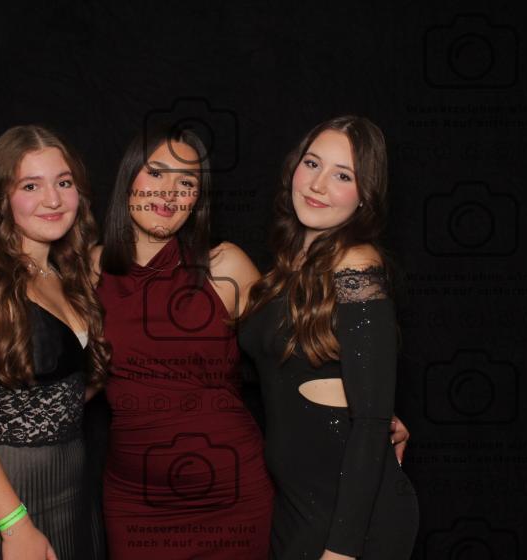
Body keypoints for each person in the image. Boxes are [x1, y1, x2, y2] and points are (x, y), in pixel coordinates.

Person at [89, 124, 411, 559]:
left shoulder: (230, 265)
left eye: (186, 183)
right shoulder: (89, 268)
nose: (168, 192)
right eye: (157, 172)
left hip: (240, 495)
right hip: (140, 499)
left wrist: (373, 413)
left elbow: (311, 350)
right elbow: (288, 345)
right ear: (128, 176)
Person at [237, 116, 419, 559]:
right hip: (297, 505)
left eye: (343, 176)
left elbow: (371, 420)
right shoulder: (289, 269)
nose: (318, 184)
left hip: (351, 521)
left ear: (365, 195)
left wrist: (341, 551)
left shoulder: (357, 267)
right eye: (312, 163)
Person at [0, 125, 109, 559]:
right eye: (31, 186)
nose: (53, 199)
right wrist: (15, 526)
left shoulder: (72, 278)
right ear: (1, 199)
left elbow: (69, 387)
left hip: (72, 493)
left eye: (63, 182)